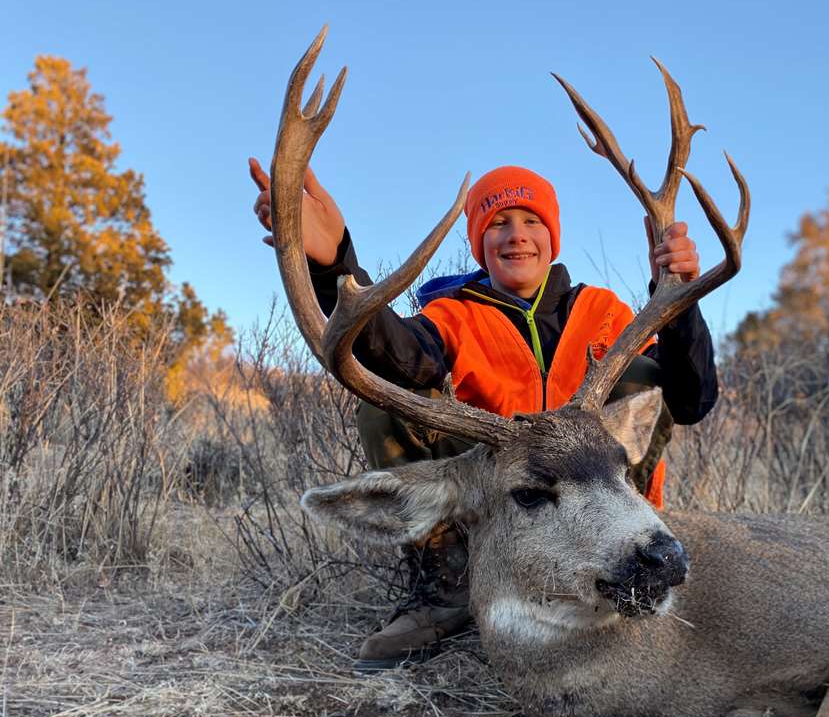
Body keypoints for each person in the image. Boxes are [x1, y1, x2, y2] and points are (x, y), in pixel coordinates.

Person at [248, 159, 719, 665]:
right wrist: (334, 264)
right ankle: (450, 586)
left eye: (531, 220)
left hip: (600, 514)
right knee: (387, 400)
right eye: (498, 222)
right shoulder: (455, 315)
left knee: (649, 379)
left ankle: (632, 559)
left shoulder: (605, 313)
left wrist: (680, 301)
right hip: (503, 502)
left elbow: (691, 401)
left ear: (552, 236)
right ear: (480, 241)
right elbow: (391, 352)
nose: (516, 235)